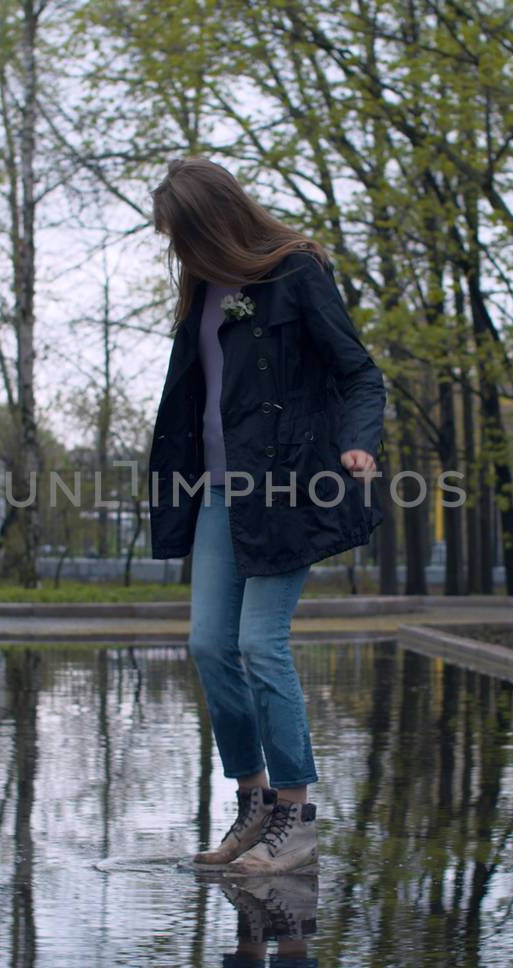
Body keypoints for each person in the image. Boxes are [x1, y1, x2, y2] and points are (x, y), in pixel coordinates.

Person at [147, 157, 386, 875]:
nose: (178, 253)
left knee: (260, 643)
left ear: (215, 222)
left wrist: (356, 443)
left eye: (183, 236)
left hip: (288, 491)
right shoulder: (200, 294)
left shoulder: (296, 273)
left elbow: (359, 373)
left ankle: (297, 816)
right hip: (220, 494)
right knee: (209, 646)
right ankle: (255, 804)